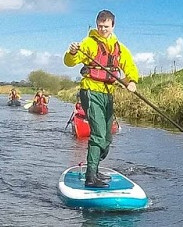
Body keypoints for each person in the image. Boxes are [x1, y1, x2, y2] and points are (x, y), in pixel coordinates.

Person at [64, 10, 139, 188]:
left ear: (113, 26)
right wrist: (73, 52)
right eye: (100, 26)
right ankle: (91, 177)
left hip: (108, 93)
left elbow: (130, 66)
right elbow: (70, 61)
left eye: (106, 26)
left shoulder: (119, 47)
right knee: (98, 134)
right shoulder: (89, 43)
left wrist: (132, 81)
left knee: (106, 138)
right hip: (90, 91)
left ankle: (95, 169)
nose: (102, 29)